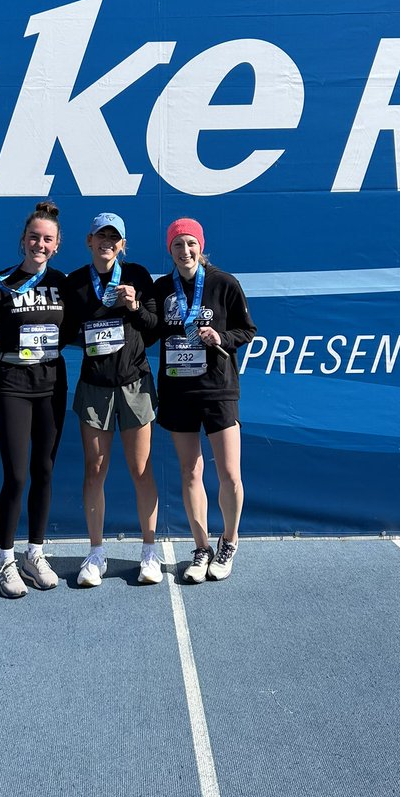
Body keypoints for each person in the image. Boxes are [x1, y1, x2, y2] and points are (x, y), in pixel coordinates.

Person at [0, 200, 74, 599]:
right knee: (16, 475)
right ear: (23, 240)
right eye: (34, 237)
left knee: (44, 470)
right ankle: (5, 561)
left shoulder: (65, 283)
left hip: (52, 380)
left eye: (47, 239)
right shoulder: (0, 283)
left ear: (57, 244)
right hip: (12, 379)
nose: (40, 244)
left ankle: (35, 553)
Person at [153, 218, 256, 582]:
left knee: (229, 473)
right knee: (189, 471)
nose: (185, 251)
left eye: (190, 244)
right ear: (170, 249)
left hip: (218, 389)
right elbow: (150, 327)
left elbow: (248, 329)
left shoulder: (224, 283)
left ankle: (229, 541)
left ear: (201, 246)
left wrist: (222, 337)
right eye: (178, 245)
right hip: (178, 390)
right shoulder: (162, 287)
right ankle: (201, 547)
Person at [66, 212, 161, 587]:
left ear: (122, 244)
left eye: (114, 237)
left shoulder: (137, 275)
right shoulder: (75, 282)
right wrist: (88, 332)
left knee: (141, 470)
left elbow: (154, 329)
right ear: (89, 241)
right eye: (100, 235)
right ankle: (96, 554)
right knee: (95, 470)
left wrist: (135, 306)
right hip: (94, 385)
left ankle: (150, 552)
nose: (106, 241)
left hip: (135, 383)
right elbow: (65, 331)